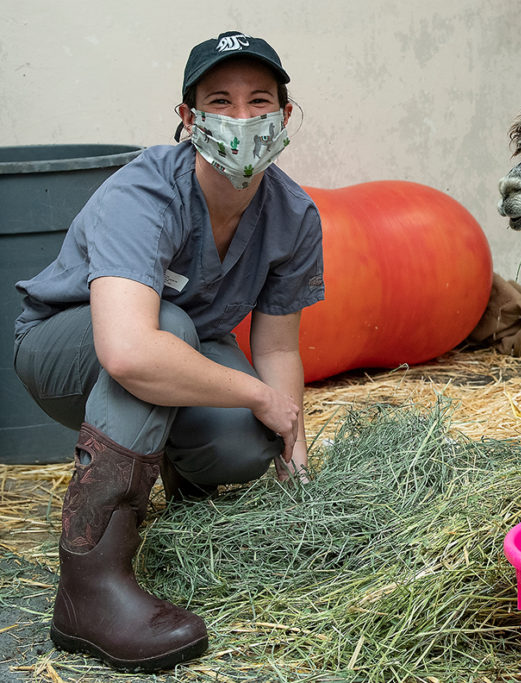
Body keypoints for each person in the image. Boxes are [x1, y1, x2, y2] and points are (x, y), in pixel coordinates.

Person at [12, 31, 324, 671]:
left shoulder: (294, 215)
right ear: (188, 117)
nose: (242, 119)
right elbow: (130, 351)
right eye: (220, 102)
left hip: (179, 348)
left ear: (285, 115)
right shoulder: (145, 191)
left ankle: (185, 504)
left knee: (244, 443)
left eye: (259, 101)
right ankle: (89, 588)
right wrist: (258, 395)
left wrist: (293, 450)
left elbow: (276, 348)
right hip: (66, 352)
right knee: (170, 332)